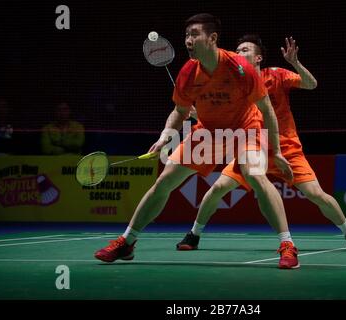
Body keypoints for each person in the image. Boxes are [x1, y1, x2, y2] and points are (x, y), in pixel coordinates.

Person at [95, 14, 300, 269]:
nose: (188, 41)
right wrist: (165, 135)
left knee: (256, 175)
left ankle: (287, 244)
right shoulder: (188, 72)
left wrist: (277, 152)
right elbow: (180, 111)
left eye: (194, 35)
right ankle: (127, 242)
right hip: (208, 133)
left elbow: (267, 109)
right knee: (164, 181)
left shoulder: (239, 67)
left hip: (245, 129)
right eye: (186, 36)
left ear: (212, 38)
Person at [176, 34, 346, 252]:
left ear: (258, 57)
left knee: (316, 194)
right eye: (237, 50)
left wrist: (295, 63)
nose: (238, 53)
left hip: (286, 148)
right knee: (219, 188)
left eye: (244, 50)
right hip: (251, 147)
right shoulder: (232, 81)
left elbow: (311, 84)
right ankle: (194, 234)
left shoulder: (276, 75)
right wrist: (198, 114)